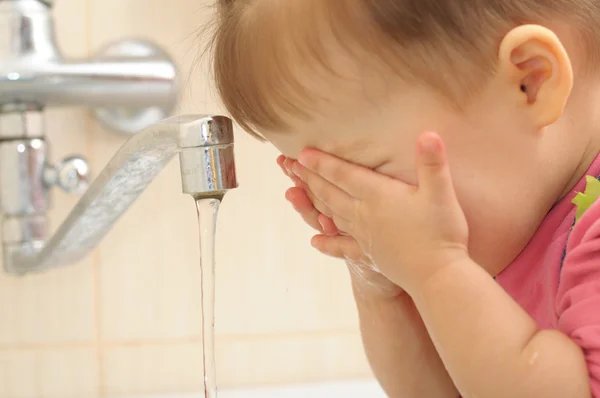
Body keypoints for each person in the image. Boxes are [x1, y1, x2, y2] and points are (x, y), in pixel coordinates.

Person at [208, 1, 600, 396]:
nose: (361, 210)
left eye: (370, 172)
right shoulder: (513, 218)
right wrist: (381, 288)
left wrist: (436, 268)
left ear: (531, 83)